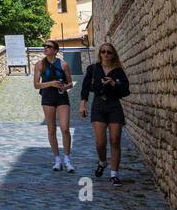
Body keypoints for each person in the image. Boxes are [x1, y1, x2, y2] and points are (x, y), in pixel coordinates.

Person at [80, 42, 130, 185]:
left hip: (114, 106)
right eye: (103, 52)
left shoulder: (119, 71)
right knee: (100, 142)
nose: (106, 54)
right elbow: (85, 88)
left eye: (109, 52)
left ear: (114, 54)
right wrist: (83, 104)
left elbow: (126, 91)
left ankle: (114, 174)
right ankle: (102, 162)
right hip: (98, 106)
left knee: (115, 140)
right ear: (99, 53)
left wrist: (114, 84)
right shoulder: (93, 69)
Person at [34, 40, 74, 171]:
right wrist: (51, 83)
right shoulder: (40, 64)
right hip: (47, 97)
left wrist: (63, 86)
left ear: (55, 50)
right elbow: (36, 85)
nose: (45, 48)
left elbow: (70, 83)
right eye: (44, 46)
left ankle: (67, 158)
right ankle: (57, 159)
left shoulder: (63, 64)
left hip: (62, 96)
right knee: (51, 129)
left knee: (65, 128)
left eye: (49, 46)